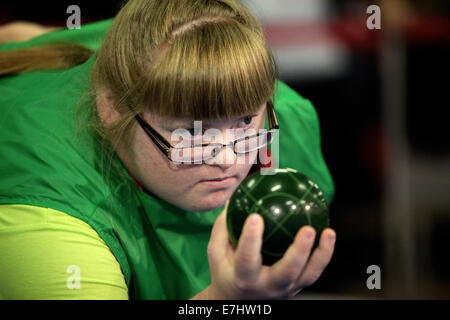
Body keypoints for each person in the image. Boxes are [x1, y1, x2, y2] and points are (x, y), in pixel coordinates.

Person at [0, 0, 336, 300]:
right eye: (191, 132)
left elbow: (17, 35)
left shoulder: (282, 116)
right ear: (113, 108)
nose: (228, 160)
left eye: (244, 120)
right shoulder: (53, 229)